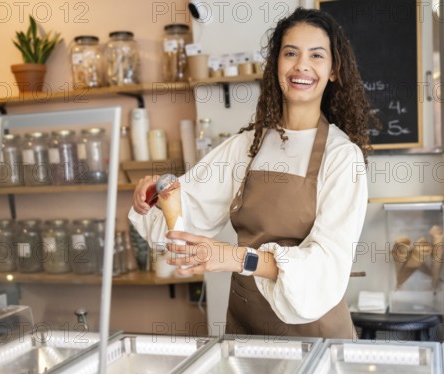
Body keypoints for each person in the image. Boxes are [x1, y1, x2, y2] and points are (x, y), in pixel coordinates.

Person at [130, 7, 374, 339]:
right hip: (246, 324)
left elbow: (327, 266)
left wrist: (235, 257)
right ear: (276, 65)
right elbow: (186, 212)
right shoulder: (248, 146)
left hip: (311, 332)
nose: (302, 65)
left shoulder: (343, 157)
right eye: (290, 53)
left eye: (317, 55)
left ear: (334, 70)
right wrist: (156, 199)